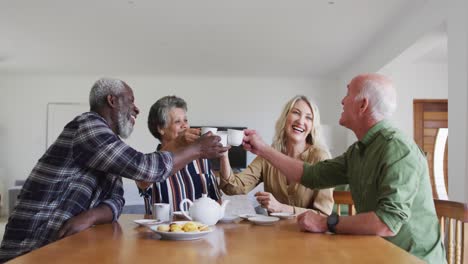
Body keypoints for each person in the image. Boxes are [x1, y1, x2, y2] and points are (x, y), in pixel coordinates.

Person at [0, 78, 227, 262]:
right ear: (112, 100)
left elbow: (116, 200)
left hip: (61, 245)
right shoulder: (88, 126)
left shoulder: (110, 144)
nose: (137, 109)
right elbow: (145, 169)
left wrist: (89, 216)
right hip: (31, 247)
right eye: (131, 101)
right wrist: (197, 149)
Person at [242, 73, 445, 263]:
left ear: (363, 104)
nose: (342, 100)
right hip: (377, 251)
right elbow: (312, 175)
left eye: (348, 93)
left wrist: (325, 222)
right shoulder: (357, 151)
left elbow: (386, 222)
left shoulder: (397, 148)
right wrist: (263, 149)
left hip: (411, 258)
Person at [219, 95, 334, 216]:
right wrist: (223, 154)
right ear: (285, 118)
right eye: (296, 112)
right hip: (275, 232)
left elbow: (324, 215)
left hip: (309, 234)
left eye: (309, 118)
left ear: (312, 126)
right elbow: (232, 188)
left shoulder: (321, 157)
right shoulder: (268, 155)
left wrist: (281, 208)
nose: (300, 121)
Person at [136, 96, 222, 213]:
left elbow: (216, 202)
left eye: (185, 120)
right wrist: (177, 143)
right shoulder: (149, 163)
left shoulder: (202, 160)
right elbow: (142, 181)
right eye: (177, 121)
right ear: (161, 128)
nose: (185, 126)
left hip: (200, 230)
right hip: (163, 230)